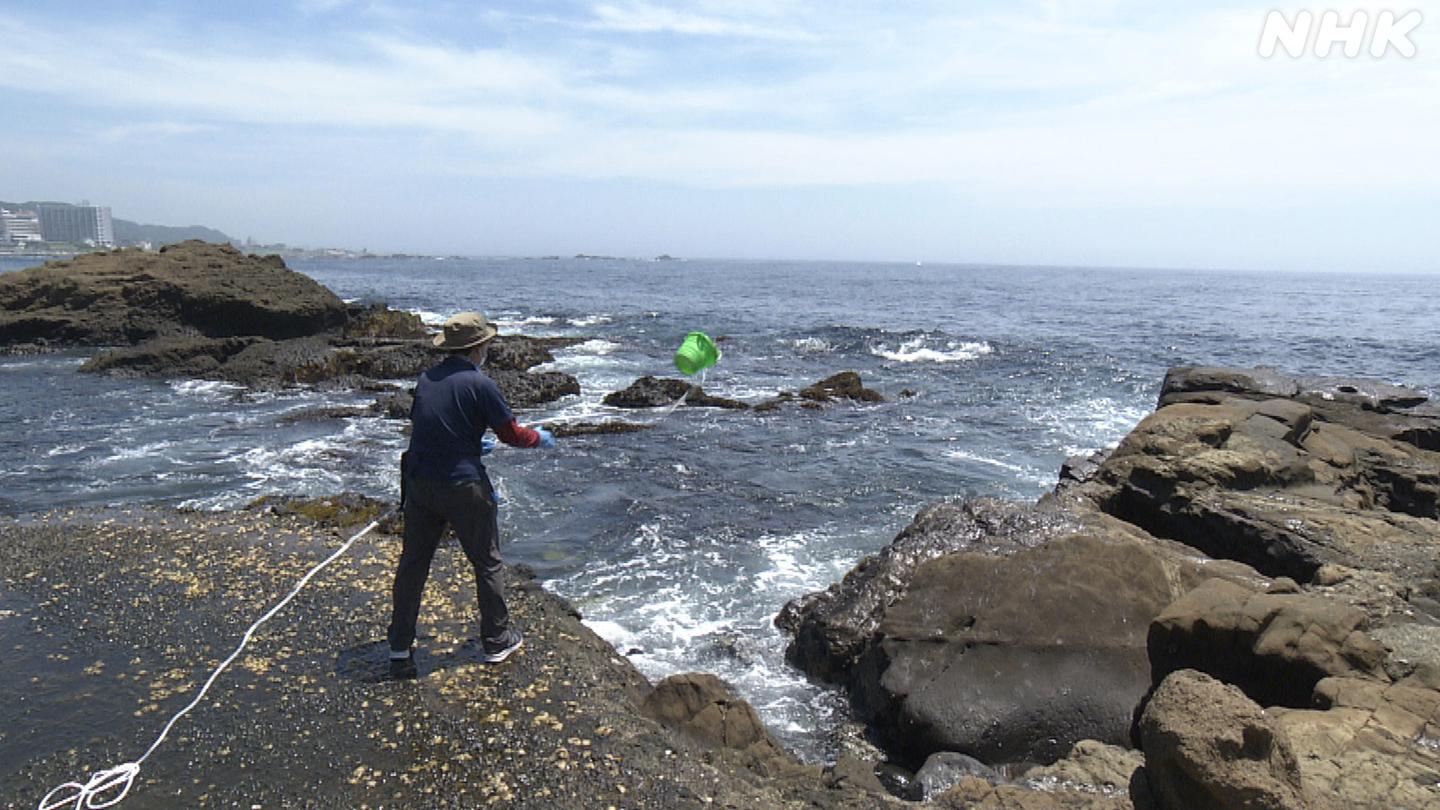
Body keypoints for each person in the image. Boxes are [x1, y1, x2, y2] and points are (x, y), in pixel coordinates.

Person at [387, 312, 555, 680]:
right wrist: (539, 438)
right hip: (463, 484)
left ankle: (399, 645)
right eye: (487, 344)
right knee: (488, 561)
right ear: (478, 347)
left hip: (419, 483)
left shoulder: (427, 378)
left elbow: (427, 425)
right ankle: (497, 640)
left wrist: (470, 442)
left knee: (414, 563)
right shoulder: (481, 384)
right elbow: (511, 434)